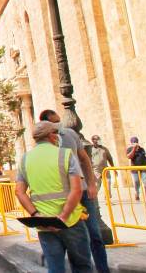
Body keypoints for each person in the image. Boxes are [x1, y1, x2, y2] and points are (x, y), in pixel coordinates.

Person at [15, 121, 93, 273]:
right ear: (51, 135)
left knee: (55, 267)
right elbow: (76, 190)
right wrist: (63, 217)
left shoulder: (25, 159)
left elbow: (19, 192)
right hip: (70, 221)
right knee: (82, 266)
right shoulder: (65, 154)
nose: (58, 137)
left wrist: (36, 215)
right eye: (56, 133)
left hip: (44, 224)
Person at [39, 110, 107, 273]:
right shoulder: (43, 144)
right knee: (68, 239)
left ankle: (103, 269)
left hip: (82, 192)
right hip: (63, 196)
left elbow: (84, 159)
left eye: (59, 121)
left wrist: (91, 184)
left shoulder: (70, 134)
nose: (59, 124)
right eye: (55, 122)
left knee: (94, 234)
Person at [126, 136, 146, 201]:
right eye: (133, 142)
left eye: (136, 142)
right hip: (135, 170)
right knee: (136, 182)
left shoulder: (142, 149)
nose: (135, 143)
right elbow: (129, 157)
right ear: (131, 143)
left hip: (143, 169)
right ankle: (137, 193)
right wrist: (134, 148)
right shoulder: (129, 149)